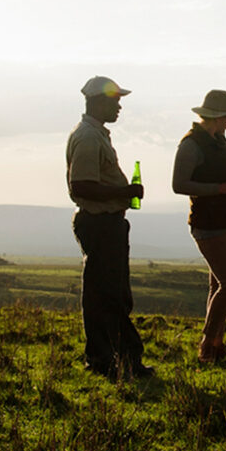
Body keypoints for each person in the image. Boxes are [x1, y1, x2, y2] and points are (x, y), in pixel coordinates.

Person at [66, 75, 153, 381]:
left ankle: (110, 358)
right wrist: (125, 193)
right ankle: (114, 359)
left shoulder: (94, 134)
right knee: (109, 294)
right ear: (100, 101)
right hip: (101, 222)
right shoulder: (89, 137)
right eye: (116, 100)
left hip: (104, 222)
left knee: (106, 292)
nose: (119, 107)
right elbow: (83, 185)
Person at [172, 89, 226, 364]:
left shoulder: (219, 139)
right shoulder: (191, 144)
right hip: (209, 222)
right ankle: (208, 343)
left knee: (218, 283)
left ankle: (216, 345)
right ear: (217, 116)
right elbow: (179, 185)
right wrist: (220, 189)